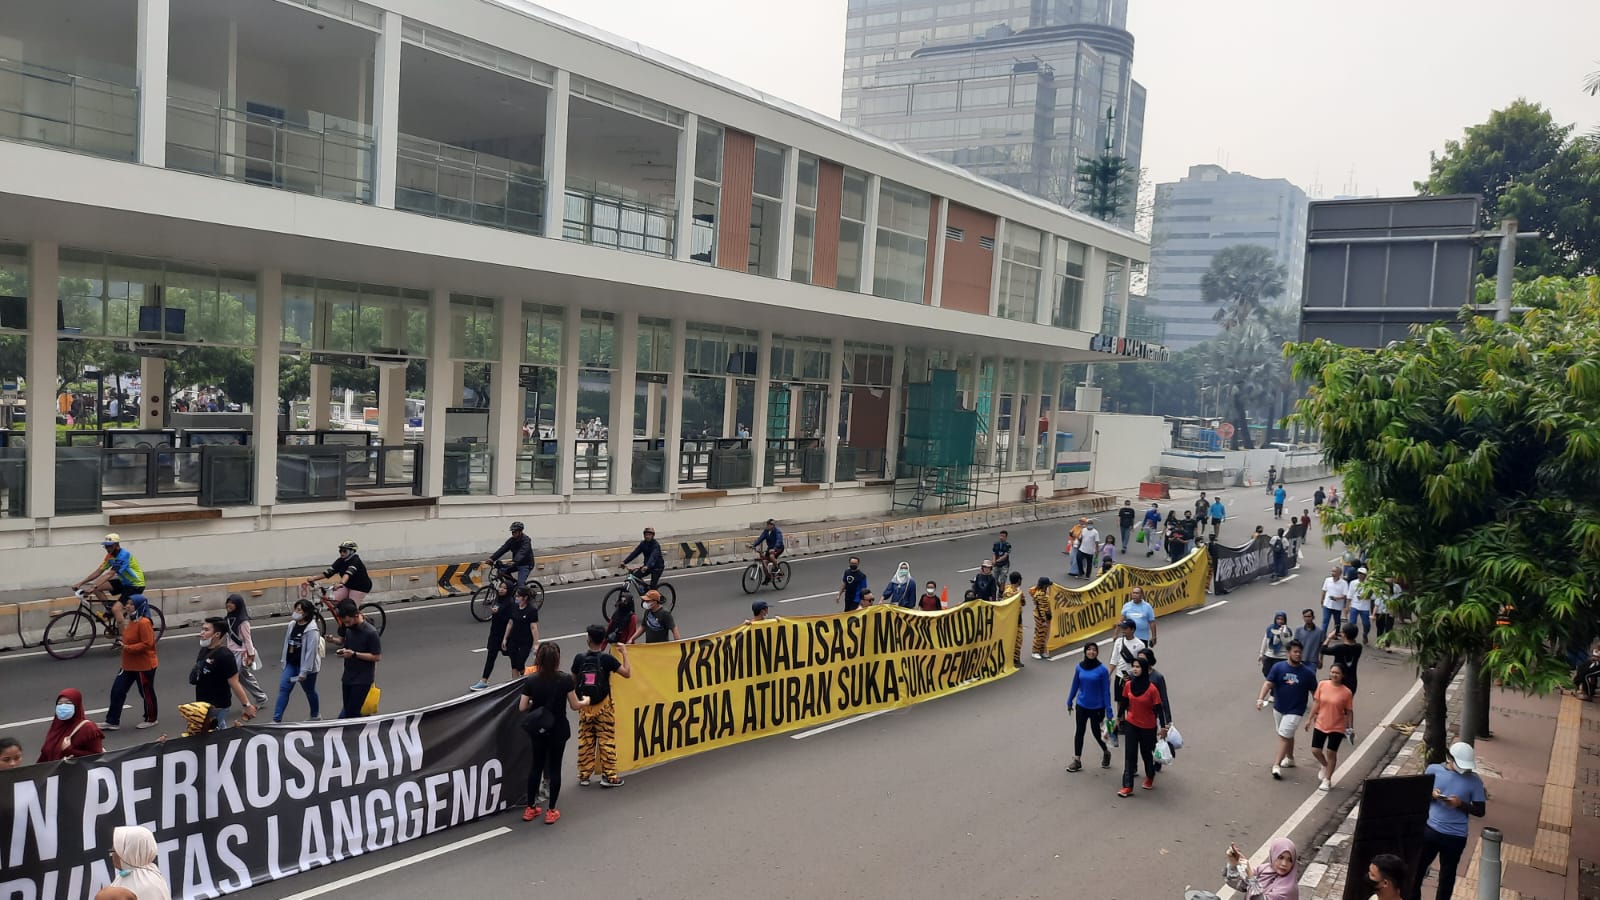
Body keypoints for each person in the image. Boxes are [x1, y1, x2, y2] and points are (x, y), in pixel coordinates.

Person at [519, 642, 587, 825]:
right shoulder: (565, 679)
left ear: (539, 659)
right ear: (557, 659)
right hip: (558, 729)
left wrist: (536, 705)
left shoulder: (531, 680)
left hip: (538, 730)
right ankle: (551, 810)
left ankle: (530, 807)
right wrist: (585, 702)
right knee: (555, 768)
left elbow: (522, 706)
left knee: (536, 767)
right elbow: (574, 705)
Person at [1412, 743, 1487, 900]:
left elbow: (1480, 811)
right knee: (1416, 871)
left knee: (1447, 877)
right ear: (1449, 758)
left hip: (1456, 837)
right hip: (1430, 830)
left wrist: (1460, 804)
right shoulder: (1433, 770)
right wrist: (1430, 794)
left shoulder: (1474, 781)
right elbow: (1418, 796)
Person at [573, 625, 631, 788]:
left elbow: (573, 680)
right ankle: (609, 776)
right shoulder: (607, 660)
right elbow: (627, 673)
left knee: (586, 740)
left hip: (585, 706)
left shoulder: (579, 659)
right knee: (606, 740)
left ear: (588, 640)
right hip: (604, 706)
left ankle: (584, 775)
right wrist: (624, 653)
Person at [1257, 640, 1317, 780]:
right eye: (1295, 652)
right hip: (1278, 708)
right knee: (1286, 734)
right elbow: (1268, 683)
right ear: (1289, 653)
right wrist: (1260, 699)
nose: (1298, 654)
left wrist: (1316, 713)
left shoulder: (1307, 673)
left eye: (1300, 652)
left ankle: (1276, 765)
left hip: (1296, 710)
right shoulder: (1279, 668)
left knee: (1283, 735)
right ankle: (1290, 759)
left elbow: (1316, 695)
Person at [102, 594, 159, 731]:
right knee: (117, 691)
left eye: (131, 604)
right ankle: (112, 721)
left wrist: (127, 648)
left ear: (139, 606)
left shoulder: (144, 623)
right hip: (128, 664)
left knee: (146, 693)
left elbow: (147, 644)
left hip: (143, 665)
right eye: (127, 603)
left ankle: (151, 718)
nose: (127, 606)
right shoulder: (132, 620)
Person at [1114, 657, 1167, 797]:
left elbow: (1159, 709)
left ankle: (1150, 776)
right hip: (1131, 724)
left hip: (1148, 727)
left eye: (1138, 667)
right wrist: (1118, 719)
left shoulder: (1152, 689)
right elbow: (1124, 702)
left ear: (1143, 669)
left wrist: (1163, 726)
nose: (1135, 669)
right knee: (1129, 755)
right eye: (1134, 667)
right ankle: (1127, 786)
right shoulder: (1128, 685)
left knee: (1146, 754)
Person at [192, 618, 256, 728]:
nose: (201, 633)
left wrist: (247, 705)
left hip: (217, 706)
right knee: (218, 731)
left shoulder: (225, 656)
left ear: (217, 634)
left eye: (206, 630)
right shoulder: (204, 649)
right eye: (202, 629)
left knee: (214, 735)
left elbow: (234, 682)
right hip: (203, 703)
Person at [72, 534, 146, 622]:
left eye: (109, 546)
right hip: (124, 582)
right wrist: (81, 583)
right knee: (98, 588)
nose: (107, 548)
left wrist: (93, 586)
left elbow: (110, 574)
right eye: (106, 546)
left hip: (135, 585)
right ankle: (109, 611)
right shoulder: (109, 556)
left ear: (116, 545)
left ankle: (124, 634)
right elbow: (98, 572)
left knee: (116, 609)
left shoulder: (124, 555)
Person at [1305, 662, 1354, 791]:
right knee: (1316, 750)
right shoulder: (1322, 684)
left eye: (1337, 673)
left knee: (1331, 752)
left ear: (1342, 675)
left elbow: (1349, 711)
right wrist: (1309, 719)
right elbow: (1317, 702)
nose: (1334, 675)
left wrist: (1350, 728)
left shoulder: (1346, 692)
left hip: (1337, 726)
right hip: (1321, 722)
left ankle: (1327, 779)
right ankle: (1325, 765)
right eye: (1332, 672)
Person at [1066, 641, 1113, 772]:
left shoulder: (1102, 670)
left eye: (1094, 650)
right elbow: (1075, 684)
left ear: (1097, 653)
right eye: (1089, 649)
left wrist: (1108, 710)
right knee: (1079, 731)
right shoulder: (1079, 667)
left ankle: (1106, 751)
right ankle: (1077, 760)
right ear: (1085, 651)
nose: (1091, 652)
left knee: (1096, 732)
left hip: (1097, 707)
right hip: (1082, 705)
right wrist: (1070, 700)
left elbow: (1106, 691)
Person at [273, 599, 321, 722]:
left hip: (305, 667)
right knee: (284, 689)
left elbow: (311, 653)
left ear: (305, 613)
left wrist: (304, 672)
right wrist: (284, 661)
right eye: (295, 609)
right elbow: (287, 644)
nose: (296, 612)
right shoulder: (292, 625)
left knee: (309, 691)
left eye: (299, 610)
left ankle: (315, 715)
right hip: (291, 664)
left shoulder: (312, 630)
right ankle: (276, 720)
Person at [333, 601, 382, 719]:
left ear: (356, 616)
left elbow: (377, 656)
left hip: (363, 678)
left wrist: (354, 654)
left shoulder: (370, 632)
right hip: (348, 676)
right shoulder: (349, 630)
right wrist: (344, 652)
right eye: (344, 623)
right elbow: (348, 646)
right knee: (348, 709)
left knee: (352, 712)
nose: (347, 625)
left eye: (348, 622)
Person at [223, 594, 269, 709]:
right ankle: (261, 698)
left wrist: (251, 654)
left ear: (238, 605)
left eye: (232, 603)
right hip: (231, 652)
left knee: (231, 678)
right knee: (245, 678)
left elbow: (247, 639)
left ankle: (223, 704)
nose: (229, 605)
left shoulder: (243, 622)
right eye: (228, 602)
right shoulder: (228, 618)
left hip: (241, 653)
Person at [470, 580, 516, 692]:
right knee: (491, 656)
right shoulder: (497, 599)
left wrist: (498, 613)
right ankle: (484, 680)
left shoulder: (510, 603)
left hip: (506, 634)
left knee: (513, 658)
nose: (501, 589)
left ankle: (517, 679)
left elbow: (510, 620)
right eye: (501, 587)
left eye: (505, 588)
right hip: (495, 633)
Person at [37, 689, 103, 762]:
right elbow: (45, 754)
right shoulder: (56, 726)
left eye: (68, 703)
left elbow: (97, 756)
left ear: (77, 705)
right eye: (59, 703)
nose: (63, 706)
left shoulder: (89, 729)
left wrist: (70, 751)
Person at [1223, 838, 1300, 900]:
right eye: (1280, 857)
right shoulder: (1265, 869)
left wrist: (1251, 876)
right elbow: (1241, 884)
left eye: (1289, 860)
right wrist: (1234, 862)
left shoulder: (1288, 888)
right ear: (1273, 855)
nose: (1284, 863)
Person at [110, 824, 172, 900]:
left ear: (129, 852)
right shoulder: (151, 872)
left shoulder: (140, 886)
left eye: (114, 851)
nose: (112, 855)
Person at [303, 540, 373, 604]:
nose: (342, 553)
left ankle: (359, 617)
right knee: (334, 601)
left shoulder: (355, 561)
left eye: (344, 551)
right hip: (347, 585)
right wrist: (313, 578)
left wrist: (340, 583)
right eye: (340, 551)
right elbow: (329, 572)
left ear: (352, 552)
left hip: (360, 587)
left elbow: (348, 574)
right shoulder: (341, 560)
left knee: (351, 608)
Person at [484, 521, 536, 599]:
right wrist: (492, 558)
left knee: (520, 584)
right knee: (502, 571)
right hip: (516, 563)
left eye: (515, 531)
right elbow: (503, 549)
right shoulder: (512, 541)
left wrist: (514, 561)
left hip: (526, 564)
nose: (513, 533)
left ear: (520, 531)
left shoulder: (526, 540)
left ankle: (528, 593)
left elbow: (522, 552)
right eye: (512, 532)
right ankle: (511, 588)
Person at [502, 585, 541, 676]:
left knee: (520, 663)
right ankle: (514, 684)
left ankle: (528, 676)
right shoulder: (514, 607)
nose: (516, 598)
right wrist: (505, 638)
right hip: (513, 639)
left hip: (525, 641)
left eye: (518, 596)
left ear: (525, 597)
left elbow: (533, 627)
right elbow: (510, 623)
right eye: (516, 596)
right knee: (514, 664)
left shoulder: (532, 610)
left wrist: (536, 644)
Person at [1325, 623, 1364, 698]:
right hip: (1352, 681)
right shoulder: (1359, 647)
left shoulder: (1339, 648)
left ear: (1344, 635)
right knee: (1347, 704)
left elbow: (1323, 649)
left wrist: (1329, 638)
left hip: (1337, 680)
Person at [1260, 611, 1293, 679]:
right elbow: (1265, 640)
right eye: (1278, 619)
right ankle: (1272, 685)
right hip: (1270, 655)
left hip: (1281, 657)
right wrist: (1261, 654)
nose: (1280, 621)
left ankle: (1275, 687)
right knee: (1266, 672)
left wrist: (1282, 634)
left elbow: (1287, 644)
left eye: (1282, 619)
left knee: (1279, 675)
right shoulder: (1270, 629)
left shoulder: (1287, 631)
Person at [1028, 577, 1054, 660]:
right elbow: (1040, 608)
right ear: (1044, 586)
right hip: (1040, 618)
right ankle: (1035, 651)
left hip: (1044, 617)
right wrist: (1043, 620)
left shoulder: (1043, 592)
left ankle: (1042, 650)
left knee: (1043, 634)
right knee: (1039, 634)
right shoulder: (1039, 595)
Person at [1347, 568, 1375, 643]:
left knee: (1366, 624)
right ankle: (1351, 638)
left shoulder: (1369, 584)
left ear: (1365, 575)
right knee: (1352, 624)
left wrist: (1365, 596)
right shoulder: (1353, 583)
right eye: (1359, 573)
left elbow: (1373, 597)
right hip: (1354, 605)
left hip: (1364, 607)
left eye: (1362, 574)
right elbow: (1349, 594)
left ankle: (1365, 634)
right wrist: (1347, 606)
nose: (1360, 575)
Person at [1320, 565, 1349, 635]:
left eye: (1335, 571)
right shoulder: (1327, 580)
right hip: (1327, 604)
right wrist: (1322, 600)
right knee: (1325, 621)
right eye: (1332, 571)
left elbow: (1345, 595)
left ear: (1339, 573)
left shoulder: (1344, 583)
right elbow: (1324, 590)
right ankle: (1322, 636)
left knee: (1337, 621)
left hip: (1337, 606)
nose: (1333, 573)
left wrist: (1337, 598)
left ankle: (1336, 633)